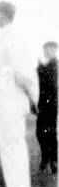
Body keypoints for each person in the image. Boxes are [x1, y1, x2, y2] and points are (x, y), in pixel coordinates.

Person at [0, 2, 40, 187]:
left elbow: (21, 73)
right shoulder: (5, 37)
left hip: (12, 100)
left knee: (13, 142)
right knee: (8, 143)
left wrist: (33, 99)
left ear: (3, 15)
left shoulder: (13, 38)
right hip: (5, 100)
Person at [36, 40, 57, 175]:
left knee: (49, 133)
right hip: (44, 105)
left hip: (53, 105)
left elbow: (49, 83)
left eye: (49, 48)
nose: (46, 51)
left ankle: (52, 161)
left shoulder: (55, 65)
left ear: (54, 50)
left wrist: (40, 70)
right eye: (45, 49)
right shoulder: (45, 66)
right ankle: (47, 159)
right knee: (41, 133)